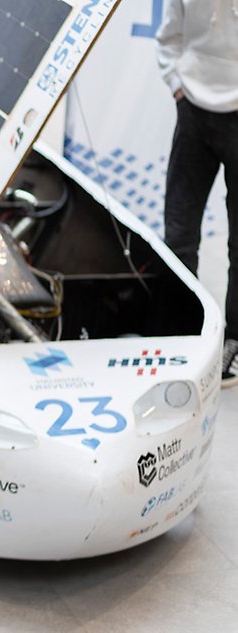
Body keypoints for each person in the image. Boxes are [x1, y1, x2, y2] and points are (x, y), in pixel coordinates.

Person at [156, 0, 238, 385]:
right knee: (179, 235)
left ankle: (233, 341)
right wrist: (177, 87)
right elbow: (170, 35)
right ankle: (183, 335)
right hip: (193, 113)